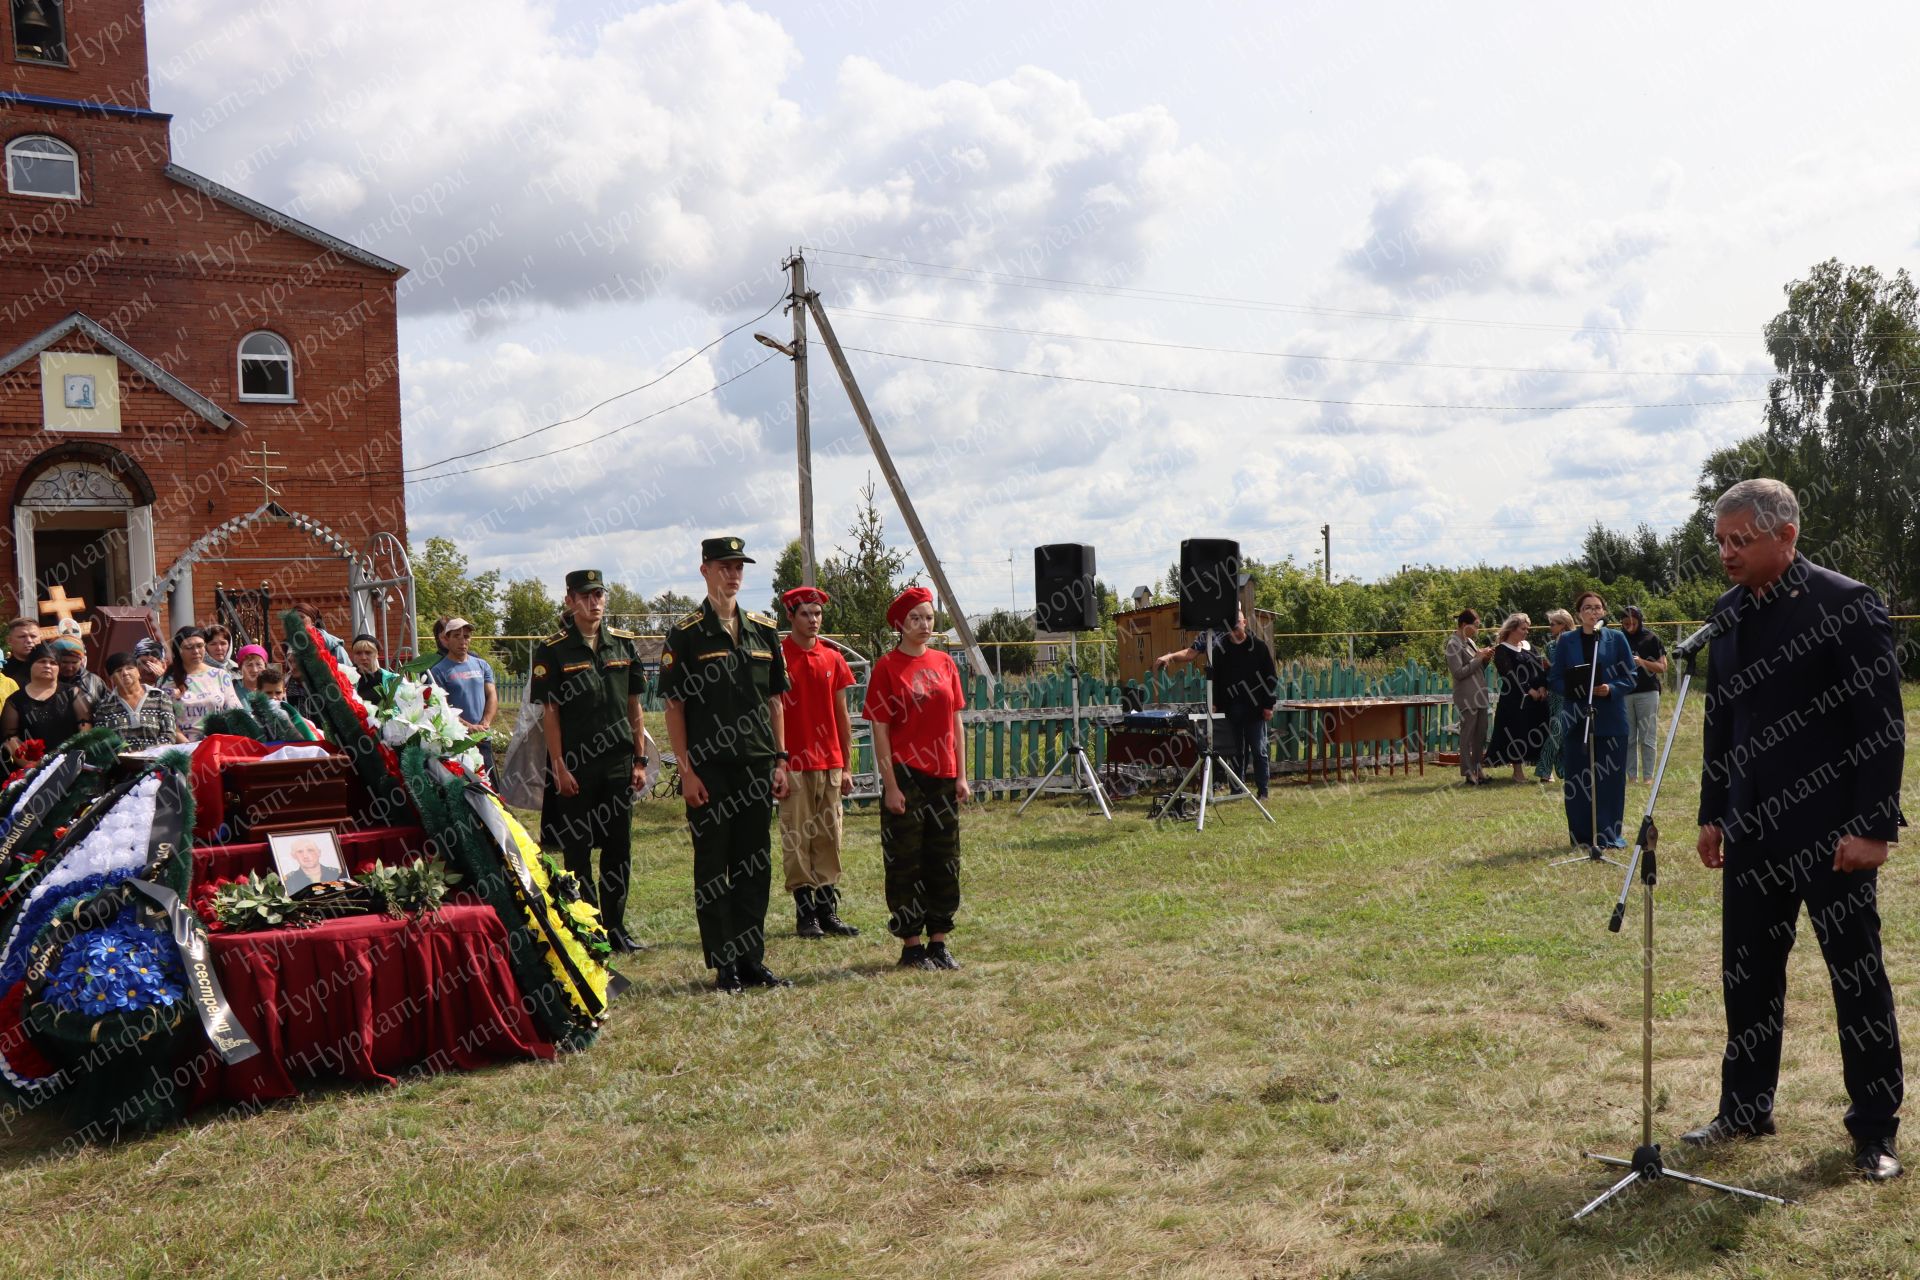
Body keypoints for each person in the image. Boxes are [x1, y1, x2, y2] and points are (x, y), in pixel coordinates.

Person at [1687, 479, 1906, 1181]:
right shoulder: (1726, 615)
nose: (1727, 553)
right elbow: (1722, 722)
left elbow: (1882, 725)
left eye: (1739, 541)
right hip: (1750, 833)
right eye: (1720, 541)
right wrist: (1712, 811)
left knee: (1856, 981)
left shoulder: (1846, 604)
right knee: (1747, 979)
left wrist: (1872, 827)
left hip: (1834, 836)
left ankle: (1874, 1132)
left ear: (1786, 536)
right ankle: (1746, 1108)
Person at [661, 538, 791, 992]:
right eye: (724, 566)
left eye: (738, 567)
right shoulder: (686, 633)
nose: (733, 574)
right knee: (714, 866)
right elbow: (674, 707)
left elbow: (775, 701)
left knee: (755, 864)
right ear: (705, 571)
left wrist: (781, 759)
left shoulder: (763, 630)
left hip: (757, 765)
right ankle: (725, 964)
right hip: (710, 771)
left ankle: (752, 959)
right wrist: (687, 771)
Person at [530, 570, 646, 955]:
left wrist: (640, 759)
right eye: (584, 595)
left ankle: (616, 926)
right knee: (577, 850)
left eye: (598, 594)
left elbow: (635, 707)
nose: (593, 602)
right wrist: (559, 766)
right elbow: (550, 713)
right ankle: (588, 925)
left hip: (617, 762)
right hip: (576, 766)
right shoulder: (552, 650)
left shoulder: (623, 646)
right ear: (569, 601)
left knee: (619, 848)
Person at [864, 585, 971, 971]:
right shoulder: (887, 667)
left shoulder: (945, 663)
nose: (924, 624)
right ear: (900, 624)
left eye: (928, 617)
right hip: (907, 775)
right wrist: (890, 784)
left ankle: (939, 940)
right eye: (915, 618)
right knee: (905, 861)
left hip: (943, 774)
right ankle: (911, 944)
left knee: (944, 859)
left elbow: (956, 720)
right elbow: (880, 728)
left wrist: (961, 774)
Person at [776, 585, 858, 939]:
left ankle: (827, 910)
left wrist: (848, 764)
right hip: (794, 763)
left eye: (818, 613)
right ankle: (804, 913)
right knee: (797, 837)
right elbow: (772, 711)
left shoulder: (833, 658)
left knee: (829, 837)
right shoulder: (778, 658)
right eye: (806, 613)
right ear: (790, 616)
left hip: (831, 763)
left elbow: (842, 715)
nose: (813, 620)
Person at [1152, 606, 1278, 797]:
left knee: (1258, 749)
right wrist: (1170, 656)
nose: (1234, 626)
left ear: (1244, 622)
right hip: (1231, 706)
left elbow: (1270, 676)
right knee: (1235, 750)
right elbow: (1194, 656)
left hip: (1255, 707)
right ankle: (1237, 790)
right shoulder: (1214, 639)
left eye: (1237, 621)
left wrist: (1268, 704)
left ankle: (1263, 791)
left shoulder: (1258, 646)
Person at [1548, 591, 1636, 849]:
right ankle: (1582, 836)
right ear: (1578, 614)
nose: (1593, 612)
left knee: (1610, 780)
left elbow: (1630, 675)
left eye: (1597, 608)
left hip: (1610, 718)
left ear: (1604, 612)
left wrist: (1610, 689)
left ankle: (1608, 835)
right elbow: (1555, 678)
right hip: (1577, 718)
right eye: (1587, 608)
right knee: (1579, 779)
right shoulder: (1566, 641)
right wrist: (1576, 690)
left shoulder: (1617, 639)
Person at [1, 641, 90, 761]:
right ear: (30, 665)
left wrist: (75, 758)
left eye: (53, 663)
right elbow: (10, 739)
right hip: (31, 771)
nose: (47, 666)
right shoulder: (15, 701)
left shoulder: (72, 693)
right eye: (42, 661)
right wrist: (33, 767)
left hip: (71, 764)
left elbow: (85, 726)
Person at [1486, 613, 1549, 780]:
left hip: (1538, 699)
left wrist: (1542, 686)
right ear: (1512, 629)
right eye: (1523, 628)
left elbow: (1541, 667)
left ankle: (1544, 770)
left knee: (1539, 731)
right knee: (1517, 733)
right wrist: (1529, 690)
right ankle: (1517, 772)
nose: (1526, 631)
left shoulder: (1530, 647)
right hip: (1515, 700)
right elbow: (1510, 675)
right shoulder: (1502, 650)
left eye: (1527, 628)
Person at [429, 618, 497, 773]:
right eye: (456, 636)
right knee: (466, 787)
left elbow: (492, 695)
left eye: (466, 636)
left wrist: (484, 723)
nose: (462, 641)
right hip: (458, 739)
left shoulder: (482, 665)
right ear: (446, 639)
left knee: (491, 786)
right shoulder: (438, 671)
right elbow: (443, 707)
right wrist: (469, 727)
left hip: (482, 735)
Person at [1444, 609, 1494, 785]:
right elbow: (1458, 672)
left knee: (1481, 733)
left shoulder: (1470, 642)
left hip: (1479, 693)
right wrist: (1478, 658)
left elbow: (1477, 667)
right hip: (1466, 695)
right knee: (1468, 734)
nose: (1477, 630)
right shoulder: (1453, 644)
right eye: (1476, 626)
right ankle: (1467, 772)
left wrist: (1485, 658)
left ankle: (1478, 768)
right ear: (1465, 625)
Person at [167, 626, 243, 741]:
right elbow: (167, 719)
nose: (196, 651)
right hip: (184, 748)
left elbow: (235, 712)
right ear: (178, 650)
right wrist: (188, 746)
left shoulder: (221, 676)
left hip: (218, 745)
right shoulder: (167, 680)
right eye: (189, 647)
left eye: (200, 646)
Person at [93, 651, 182, 749]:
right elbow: (102, 742)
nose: (125, 673)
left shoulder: (159, 697)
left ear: (138, 672)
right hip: (121, 762)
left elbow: (169, 735)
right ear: (111, 678)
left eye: (130, 668)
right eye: (118, 671)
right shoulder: (104, 707)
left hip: (156, 761)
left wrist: (144, 753)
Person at [1619, 605, 1668, 783]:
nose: (1629, 625)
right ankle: (1631, 776)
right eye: (1625, 623)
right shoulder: (1619, 638)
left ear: (1639, 621)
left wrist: (1642, 662)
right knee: (1628, 736)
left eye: (1632, 622)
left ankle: (1648, 777)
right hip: (1624, 692)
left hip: (1648, 691)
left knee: (1647, 735)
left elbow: (1663, 667)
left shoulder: (1651, 638)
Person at [1535, 609, 1575, 783]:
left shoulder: (1576, 643)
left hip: (1572, 693)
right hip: (1555, 694)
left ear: (1563, 625)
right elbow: (1549, 670)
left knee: (1562, 732)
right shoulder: (1550, 646)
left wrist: (1552, 666)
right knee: (1557, 731)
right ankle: (1550, 769)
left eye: (1553, 624)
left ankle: (1557, 769)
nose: (1550, 627)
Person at [51, 635, 107, 705]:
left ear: (81, 661)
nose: (69, 668)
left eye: (74, 662)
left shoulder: (94, 681)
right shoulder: (43, 679)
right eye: (64, 662)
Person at [280, 836, 346, 895]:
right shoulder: (288, 881)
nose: (305, 856)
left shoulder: (337, 874)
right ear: (293, 856)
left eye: (310, 850)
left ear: (319, 853)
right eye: (300, 852)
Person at [349, 633, 396, 704]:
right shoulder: (347, 680)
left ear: (377, 655)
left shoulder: (392, 679)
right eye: (358, 653)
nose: (363, 658)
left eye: (368, 653)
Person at [2, 618, 38, 687]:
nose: (29, 640)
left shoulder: (53, 667)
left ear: (40, 638)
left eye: (33, 636)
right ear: (9, 640)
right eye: (22, 636)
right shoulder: (2, 671)